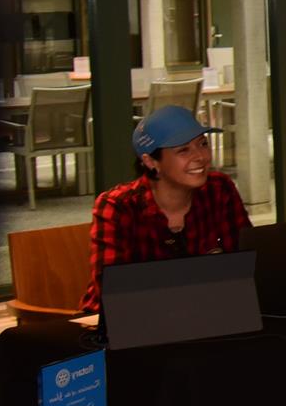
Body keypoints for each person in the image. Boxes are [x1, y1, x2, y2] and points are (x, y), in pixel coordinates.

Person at [81, 104, 249, 313]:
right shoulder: (118, 206)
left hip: (205, 313)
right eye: (183, 150)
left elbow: (246, 264)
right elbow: (112, 289)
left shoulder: (219, 189)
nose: (201, 157)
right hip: (125, 321)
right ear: (151, 161)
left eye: (203, 144)